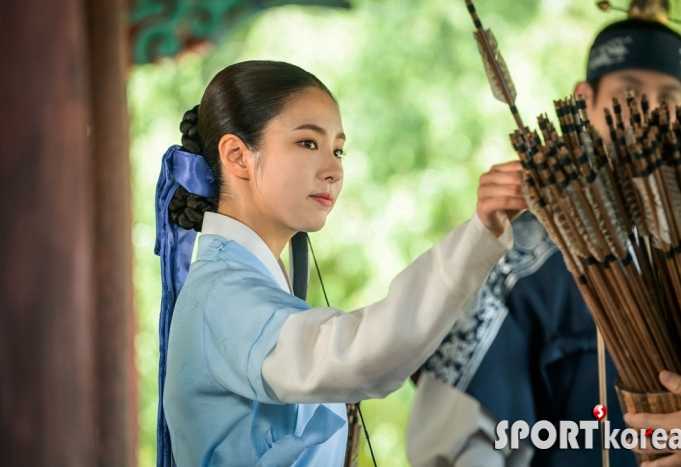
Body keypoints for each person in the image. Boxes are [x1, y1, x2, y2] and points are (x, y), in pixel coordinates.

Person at [154, 60, 527, 466]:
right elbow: (359, 354)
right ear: (238, 156)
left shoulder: (247, 286)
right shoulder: (223, 298)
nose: (333, 170)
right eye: (308, 143)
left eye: (338, 149)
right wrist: (478, 235)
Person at [407, 8, 681, 467]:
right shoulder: (526, 255)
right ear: (585, 98)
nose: (646, 110)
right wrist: (484, 238)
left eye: (669, 97)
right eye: (628, 92)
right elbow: (467, 437)